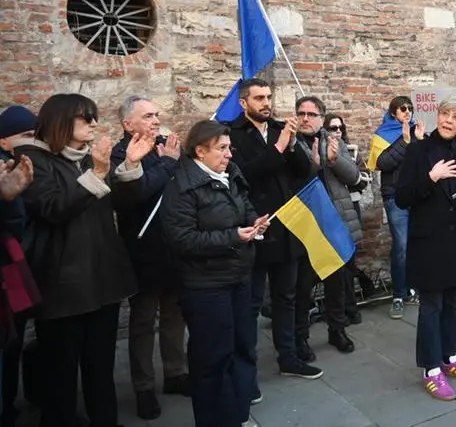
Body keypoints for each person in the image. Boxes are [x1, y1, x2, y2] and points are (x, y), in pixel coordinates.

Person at [18, 93, 142, 427]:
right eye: (85, 119)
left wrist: (129, 167)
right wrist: (98, 174)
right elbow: (52, 209)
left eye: (94, 117)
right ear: (61, 122)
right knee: (61, 374)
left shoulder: (90, 159)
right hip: (62, 288)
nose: (94, 124)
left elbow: (123, 205)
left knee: (100, 368)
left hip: (102, 281)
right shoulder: (31, 160)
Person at [161, 120, 271, 427]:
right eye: (222, 148)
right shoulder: (182, 186)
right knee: (212, 357)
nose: (229, 155)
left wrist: (256, 223)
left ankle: (235, 415)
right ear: (200, 151)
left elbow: (244, 207)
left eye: (229, 147)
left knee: (240, 347)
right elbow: (182, 240)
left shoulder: (229, 176)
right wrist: (235, 236)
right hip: (205, 285)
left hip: (237, 277)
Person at [224, 79, 320, 386]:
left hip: (286, 226)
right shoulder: (231, 134)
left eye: (269, 97)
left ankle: (288, 358)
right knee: (250, 304)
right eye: (259, 98)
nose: (266, 102)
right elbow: (242, 175)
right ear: (244, 103)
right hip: (254, 228)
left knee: (286, 297)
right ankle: (246, 373)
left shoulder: (282, 128)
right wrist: (279, 148)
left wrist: (291, 146)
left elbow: (304, 170)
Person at [396, 95, 456, 401]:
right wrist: (431, 177)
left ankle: (449, 358)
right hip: (429, 241)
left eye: (455, 117)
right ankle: (431, 369)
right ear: (437, 115)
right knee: (431, 306)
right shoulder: (418, 150)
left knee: (452, 304)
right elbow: (402, 197)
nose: (448, 121)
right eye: (445, 114)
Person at [110, 96, 188, 420]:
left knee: (174, 316)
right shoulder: (120, 154)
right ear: (129, 124)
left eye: (157, 114)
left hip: (172, 247)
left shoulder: (163, 146)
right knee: (143, 323)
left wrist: (173, 163)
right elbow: (137, 193)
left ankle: (176, 373)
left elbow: (178, 185)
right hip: (141, 252)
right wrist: (168, 164)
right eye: (148, 116)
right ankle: (143, 387)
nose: (156, 120)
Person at [294, 97, 359, 354]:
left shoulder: (335, 141)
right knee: (302, 285)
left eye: (312, 113)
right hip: (307, 223)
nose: (306, 118)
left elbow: (353, 176)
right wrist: (312, 165)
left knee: (337, 283)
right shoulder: (290, 142)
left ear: (322, 117)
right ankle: (300, 337)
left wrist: (334, 160)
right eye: (301, 113)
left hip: (334, 221)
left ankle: (337, 330)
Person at [0, 106, 36, 426]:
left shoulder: (24, 166)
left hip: (15, 270)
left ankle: (8, 403)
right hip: (9, 267)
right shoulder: (6, 168)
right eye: (25, 136)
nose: (32, 142)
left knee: (12, 342)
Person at [373, 96, 424, 319]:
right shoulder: (383, 134)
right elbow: (382, 163)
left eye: (410, 109)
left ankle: (413, 288)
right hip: (395, 195)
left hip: (416, 194)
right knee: (402, 244)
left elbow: (424, 162)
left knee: (415, 244)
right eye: (403, 109)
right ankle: (398, 295)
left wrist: (420, 142)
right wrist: (404, 141)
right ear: (393, 112)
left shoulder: (417, 131)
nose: (407, 112)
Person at [323, 113, 367, 323]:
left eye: (340, 127)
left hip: (352, 207)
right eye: (333, 128)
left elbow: (363, 178)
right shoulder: (321, 150)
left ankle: (351, 307)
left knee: (349, 260)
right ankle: (340, 308)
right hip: (333, 209)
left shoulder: (350, 149)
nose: (338, 131)